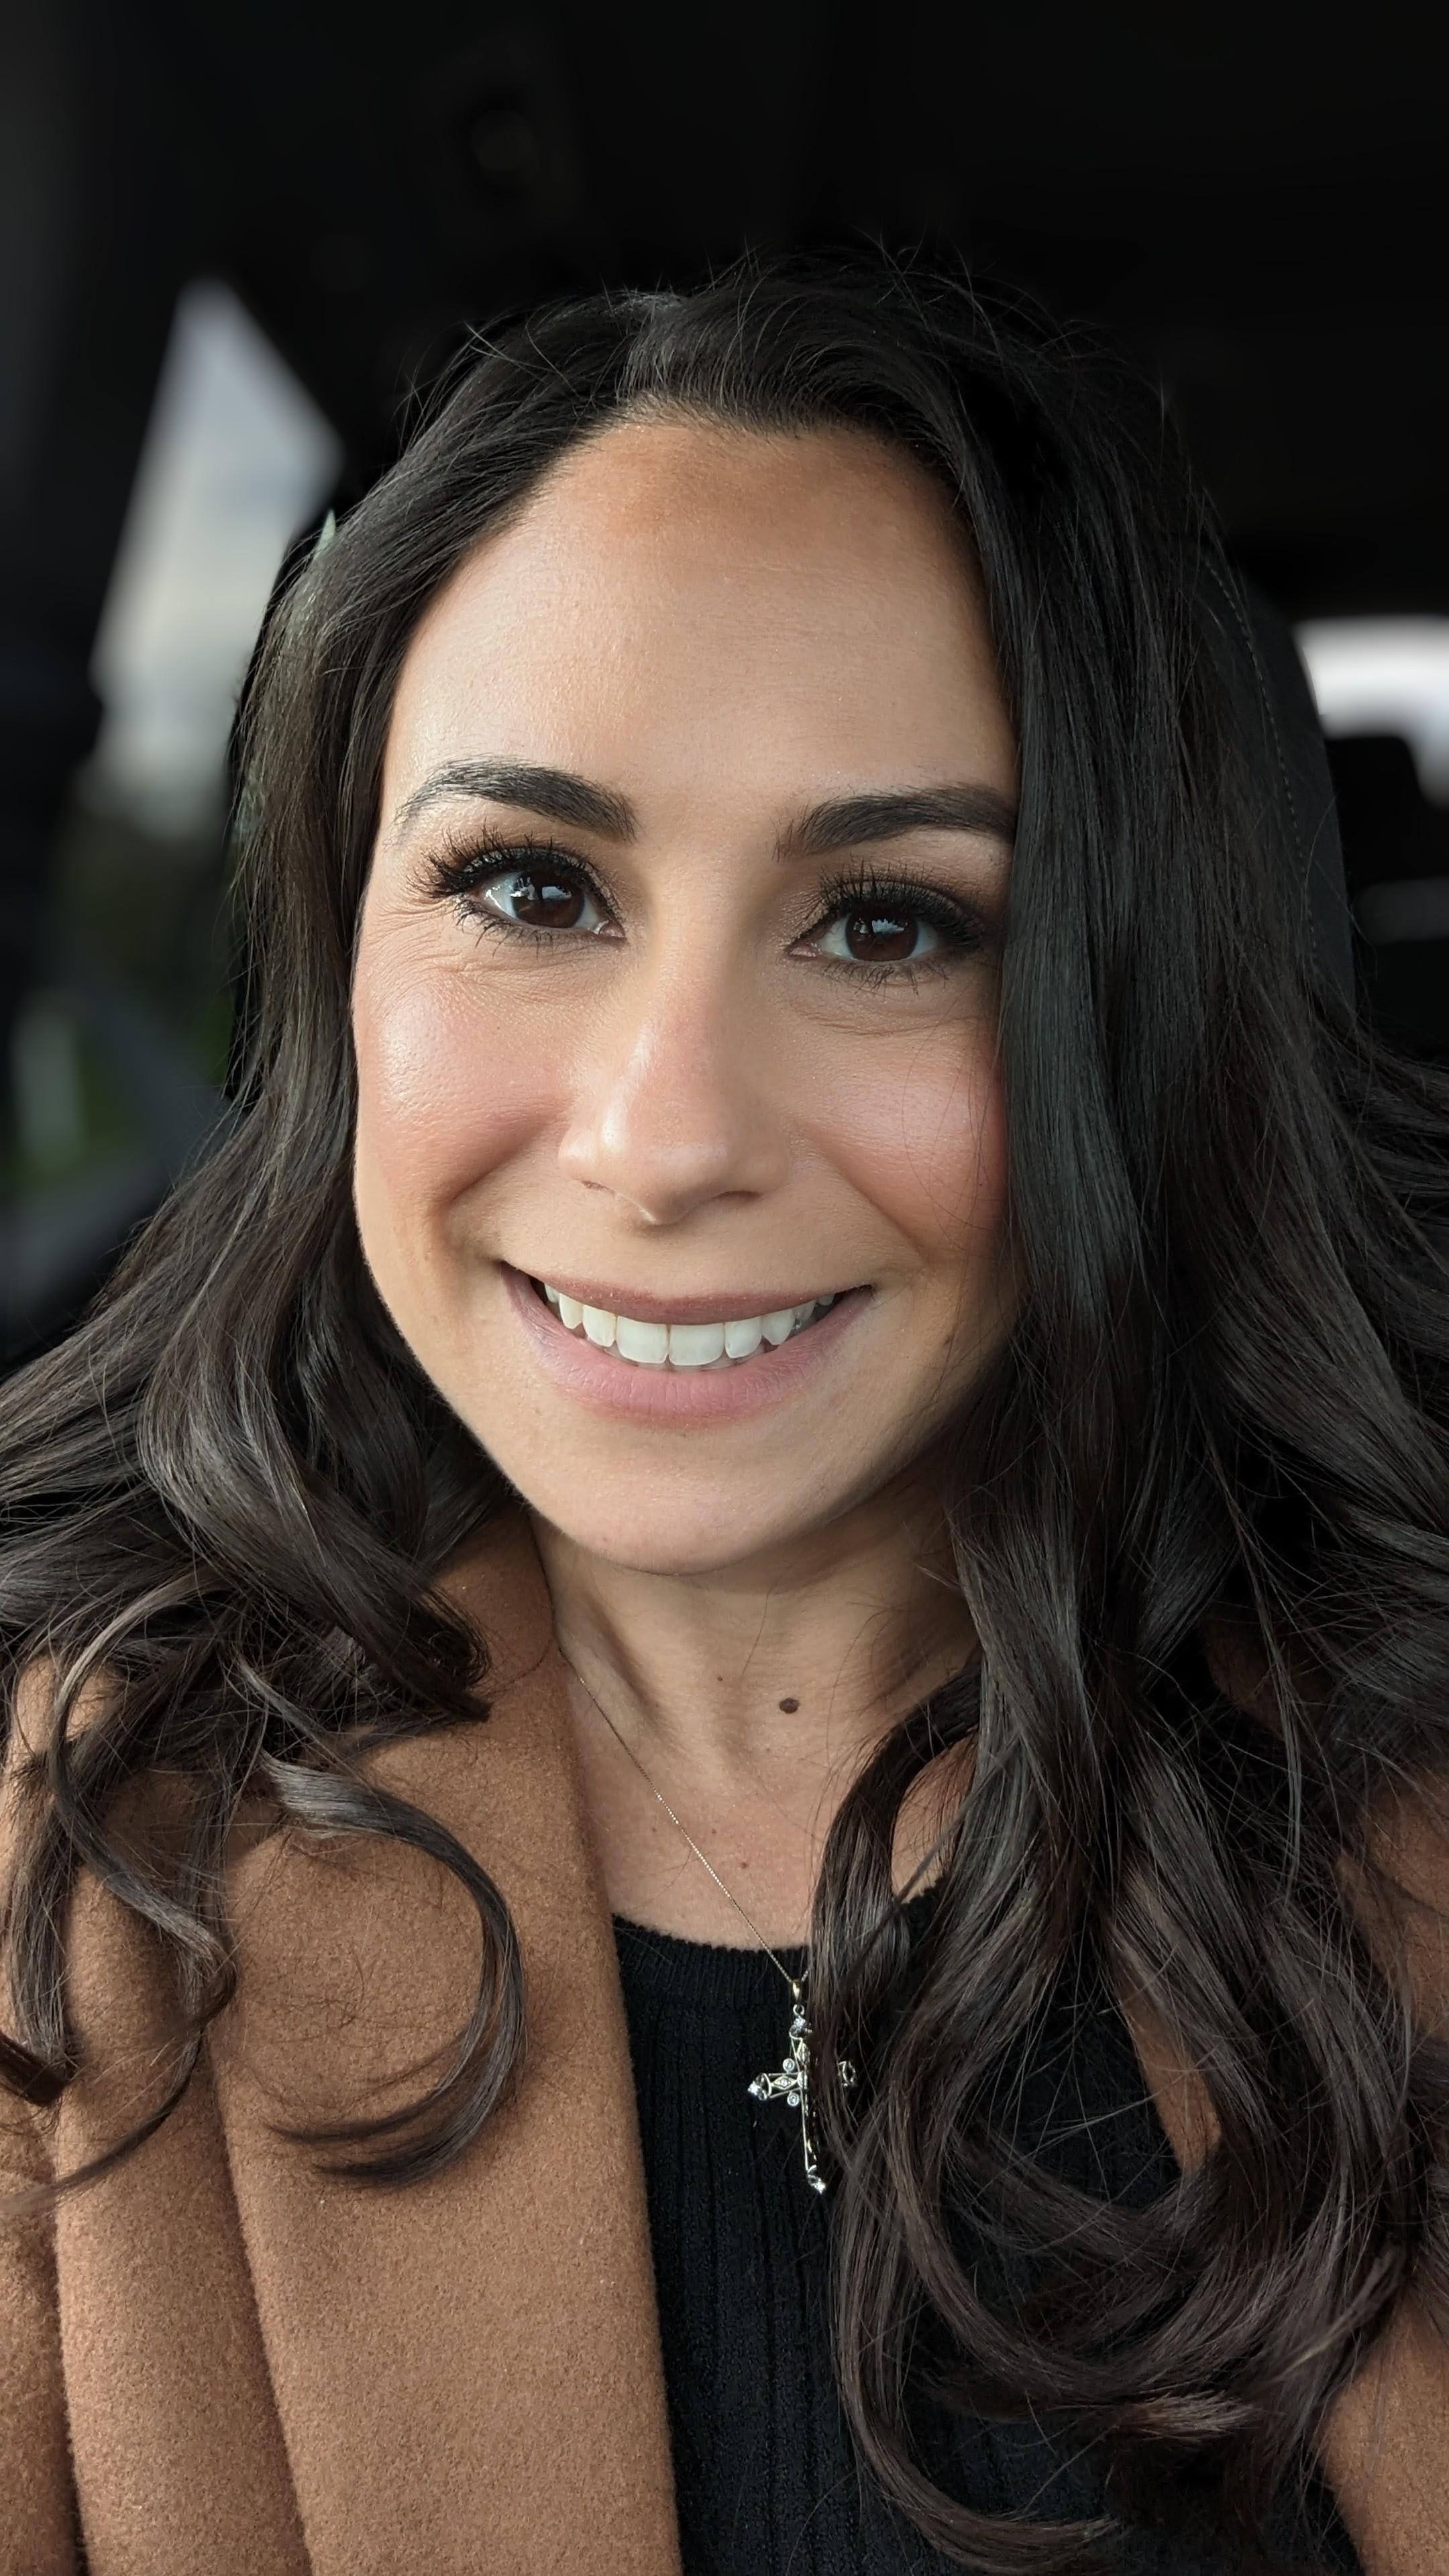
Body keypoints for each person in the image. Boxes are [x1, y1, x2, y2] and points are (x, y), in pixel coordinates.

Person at [3, 246, 1448, 2576]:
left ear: (1132, 1026)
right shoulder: (65, 1884)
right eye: (529, 887)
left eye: (887, 923)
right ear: (337, 963)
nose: (664, 1139)